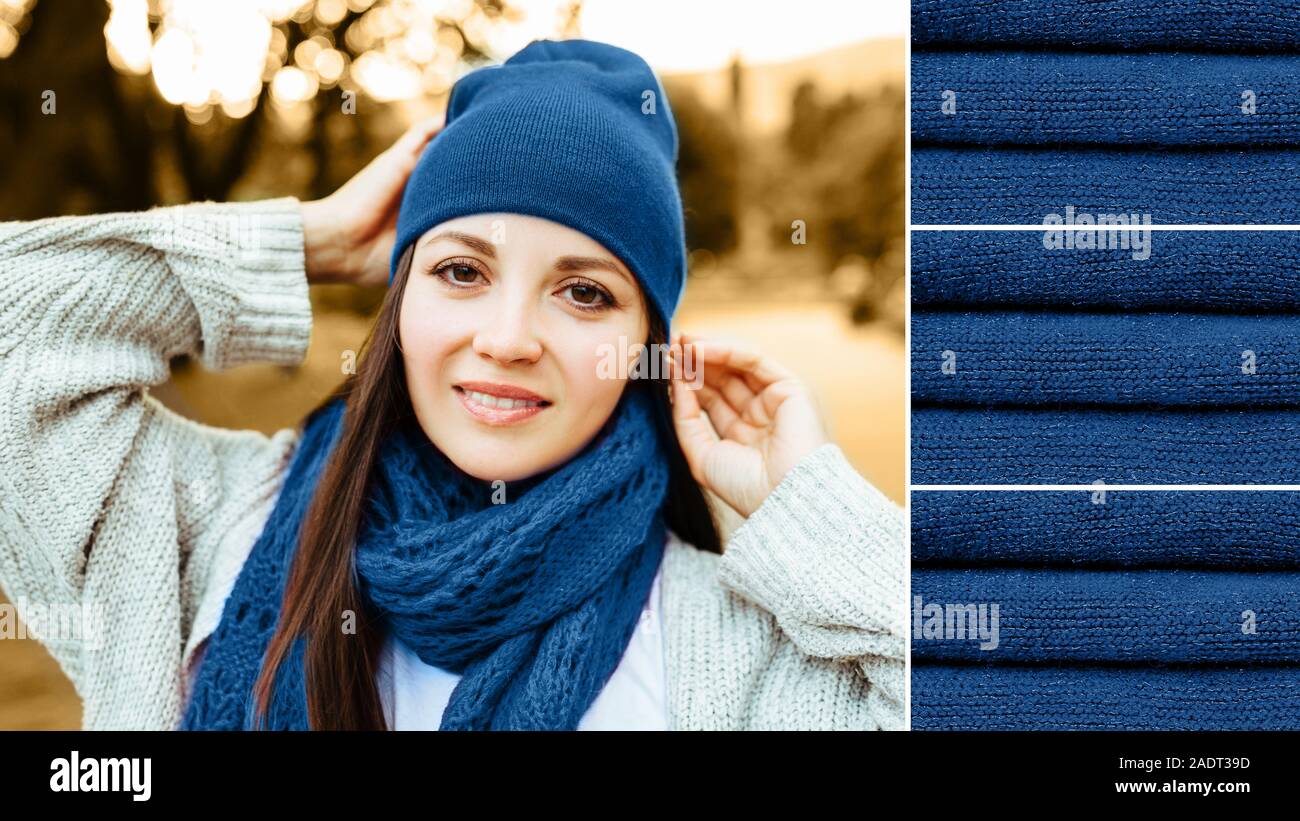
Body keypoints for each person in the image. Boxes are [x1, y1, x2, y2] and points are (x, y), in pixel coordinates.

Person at [0, 39, 904, 731]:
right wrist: (303, 242)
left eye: (584, 292)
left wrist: (809, 511)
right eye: (461, 272)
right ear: (400, 300)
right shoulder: (208, 529)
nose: (508, 339)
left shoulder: (735, 654)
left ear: (643, 346)